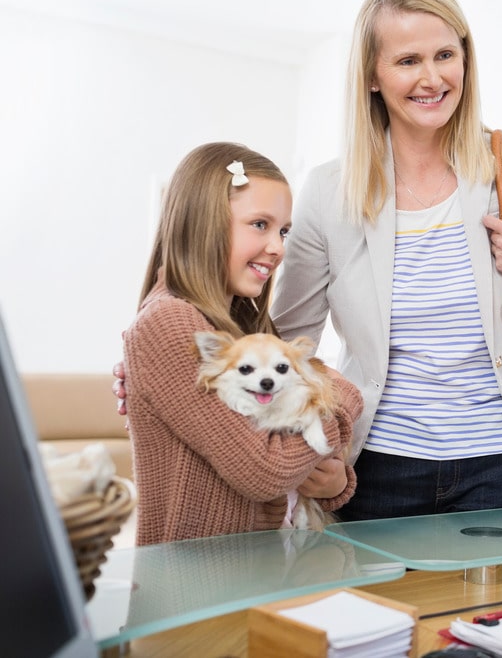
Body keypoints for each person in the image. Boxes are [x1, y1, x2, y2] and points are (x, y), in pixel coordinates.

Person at [269, 0, 502, 521]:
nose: (432, 78)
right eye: (407, 61)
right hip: (376, 467)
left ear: (465, 60)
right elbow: (289, 344)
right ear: (373, 77)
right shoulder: (330, 192)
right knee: (386, 610)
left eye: (445, 54)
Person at [122, 142, 360, 545]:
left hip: (262, 572)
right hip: (200, 586)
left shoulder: (246, 326)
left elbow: (295, 458)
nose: (278, 248)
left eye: (283, 230)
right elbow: (266, 472)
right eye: (260, 225)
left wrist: (334, 481)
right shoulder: (170, 320)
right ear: (202, 222)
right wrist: (342, 399)